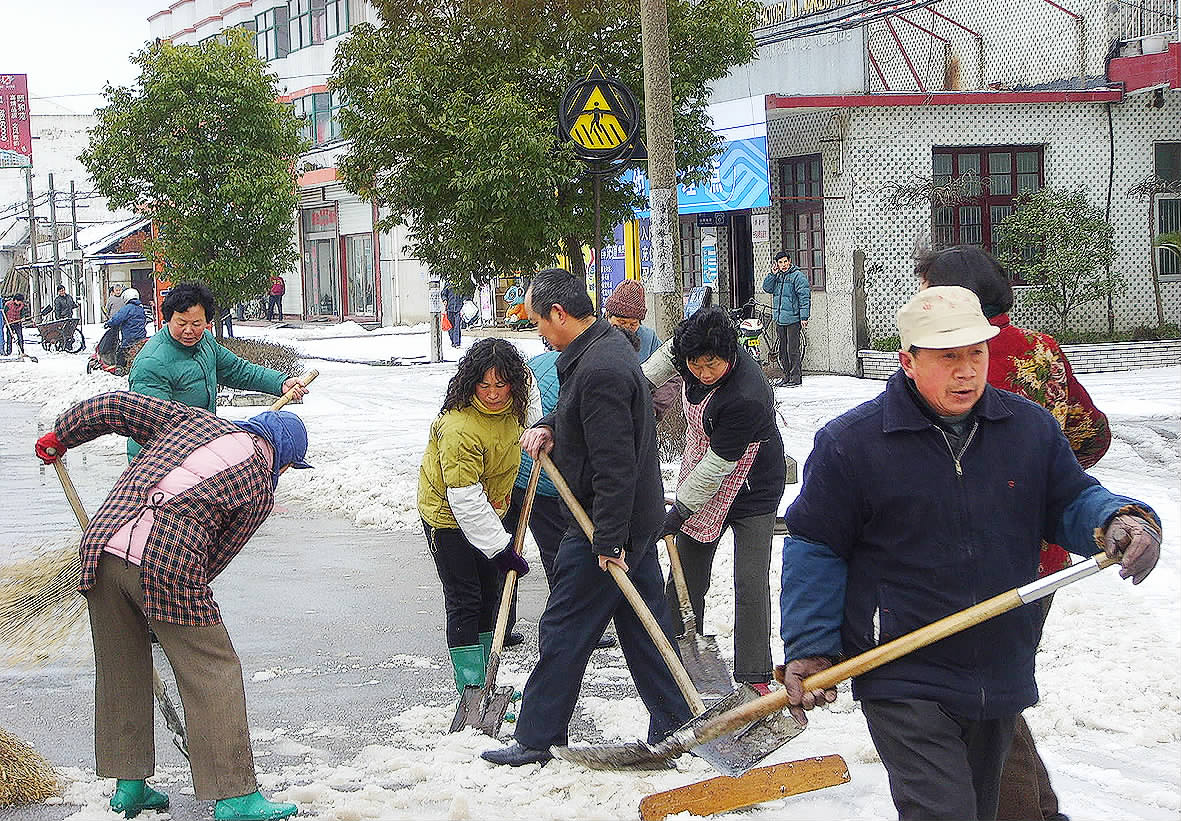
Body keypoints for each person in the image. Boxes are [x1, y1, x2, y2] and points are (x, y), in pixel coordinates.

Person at [778, 286, 1161, 821]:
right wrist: (811, 645)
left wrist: (1116, 519)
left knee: (983, 809)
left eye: (975, 353)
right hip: (901, 663)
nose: (966, 372)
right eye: (948, 356)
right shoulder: (853, 443)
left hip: (999, 659)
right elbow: (815, 546)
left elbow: (1071, 499)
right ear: (908, 361)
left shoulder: (1027, 429)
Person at [34, 391, 311, 821]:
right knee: (212, 668)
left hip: (101, 547)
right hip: (165, 563)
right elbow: (213, 557)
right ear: (286, 460)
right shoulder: (259, 484)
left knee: (122, 667)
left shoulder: (191, 421)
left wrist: (63, 435)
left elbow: (115, 408)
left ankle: (129, 787)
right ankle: (236, 797)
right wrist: (166, 604)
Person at [916, 245, 1111, 821]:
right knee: (993, 685)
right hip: (1041, 553)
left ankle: (1027, 811)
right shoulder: (1040, 349)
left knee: (986, 695)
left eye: (928, 288)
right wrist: (1046, 481)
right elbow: (1092, 433)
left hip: (968, 551)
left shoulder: (945, 355)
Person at [481, 267, 692, 767]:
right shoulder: (601, 352)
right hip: (625, 521)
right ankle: (678, 722)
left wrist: (608, 541)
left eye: (537, 321)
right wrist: (551, 425)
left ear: (559, 314)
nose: (536, 332)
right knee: (644, 629)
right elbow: (589, 421)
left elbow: (615, 463)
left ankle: (535, 737)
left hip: (604, 523)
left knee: (563, 627)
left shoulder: (600, 369)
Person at [643, 306, 786, 692]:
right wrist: (631, 389)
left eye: (713, 365)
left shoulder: (748, 395)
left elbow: (720, 465)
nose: (703, 373)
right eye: (695, 365)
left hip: (752, 482)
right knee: (687, 571)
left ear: (731, 354)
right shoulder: (687, 349)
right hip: (704, 466)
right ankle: (674, 654)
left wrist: (681, 510)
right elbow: (648, 376)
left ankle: (754, 674)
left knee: (751, 578)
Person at [417, 338, 533, 693]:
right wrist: (501, 548)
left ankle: (486, 681)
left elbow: (529, 421)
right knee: (465, 597)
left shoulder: (514, 409)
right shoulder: (459, 428)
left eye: (501, 384)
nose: (494, 393)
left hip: (491, 510)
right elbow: (464, 499)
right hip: (449, 518)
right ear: (471, 382)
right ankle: (470, 688)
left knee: (489, 593)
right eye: (485, 385)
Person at [127, 282, 309, 462]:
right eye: (181, 323)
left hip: (195, 452)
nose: (189, 330)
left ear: (207, 321)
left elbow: (236, 370)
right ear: (168, 319)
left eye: (197, 323)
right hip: (157, 462)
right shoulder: (152, 363)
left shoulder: (205, 342)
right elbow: (156, 426)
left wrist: (280, 382)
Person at [761, 250, 811, 387]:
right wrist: (772, 274)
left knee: (792, 350)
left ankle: (796, 377)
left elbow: (804, 298)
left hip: (793, 319)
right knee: (782, 350)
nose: (783, 265)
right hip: (780, 319)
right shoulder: (777, 277)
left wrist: (804, 317)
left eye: (785, 261)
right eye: (780, 262)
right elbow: (766, 288)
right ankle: (786, 375)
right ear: (776, 263)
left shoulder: (798, 276)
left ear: (789, 261)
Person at [104, 287, 149, 370]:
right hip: (141, 337)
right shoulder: (140, 308)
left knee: (121, 353)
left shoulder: (127, 308)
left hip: (130, 338)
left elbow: (117, 318)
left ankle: (120, 368)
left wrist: (108, 323)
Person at [440, 283, 464, 347]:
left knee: (457, 326)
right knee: (450, 326)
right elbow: (444, 293)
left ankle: (456, 342)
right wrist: (444, 299)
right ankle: (453, 341)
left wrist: (465, 300)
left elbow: (466, 294)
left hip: (459, 308)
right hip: (450, 308)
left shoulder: (461, 283)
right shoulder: (448, 283)